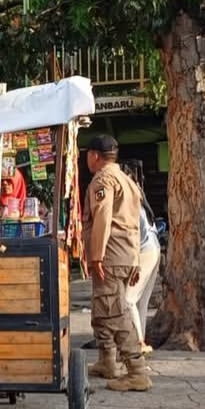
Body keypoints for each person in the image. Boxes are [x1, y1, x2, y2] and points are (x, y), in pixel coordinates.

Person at [83, 135, 149, 392]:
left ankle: (136, 370)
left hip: (109, 255)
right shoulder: (128, 180)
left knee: (114, 312)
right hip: (125, 254)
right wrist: (134, 261)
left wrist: (96, 254)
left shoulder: (103, 179)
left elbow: (103, 216)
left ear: (95, 155)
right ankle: (107, 360)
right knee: (102, 309)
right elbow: (134, 223)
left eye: (87, 154)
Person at [121, 162, 161, 356]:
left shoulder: (129, 196)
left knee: (128, 299)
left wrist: (134, 263)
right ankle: (140, 341)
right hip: (153, 248)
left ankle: (138, 343)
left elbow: (133, 233)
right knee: (140, 302)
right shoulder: (137, 193)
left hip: (144, 251)